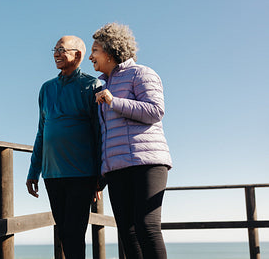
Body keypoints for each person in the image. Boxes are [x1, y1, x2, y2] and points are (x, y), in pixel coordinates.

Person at [89, 22, 172, 259]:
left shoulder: (142, 73)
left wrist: (115, 101)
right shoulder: (104, 85)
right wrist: (101, 174)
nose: (91, 57)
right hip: (117, 169)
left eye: (95, 50)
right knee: (127, 232)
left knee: (147, 226)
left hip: (147, 163)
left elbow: (155, 111)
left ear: (110, 50)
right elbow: (107, 134)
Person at [26, 35, 102, 259]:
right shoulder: (46, 88)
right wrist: (33, 171)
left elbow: (99, 133)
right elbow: (42, 131)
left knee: (75, 233)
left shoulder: (91, 85)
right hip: (52, 173)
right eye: (55, 49)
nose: (56, 54)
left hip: (82, 173)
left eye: (62, 49)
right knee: (64, 233)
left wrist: (100, 175)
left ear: (77, 55)